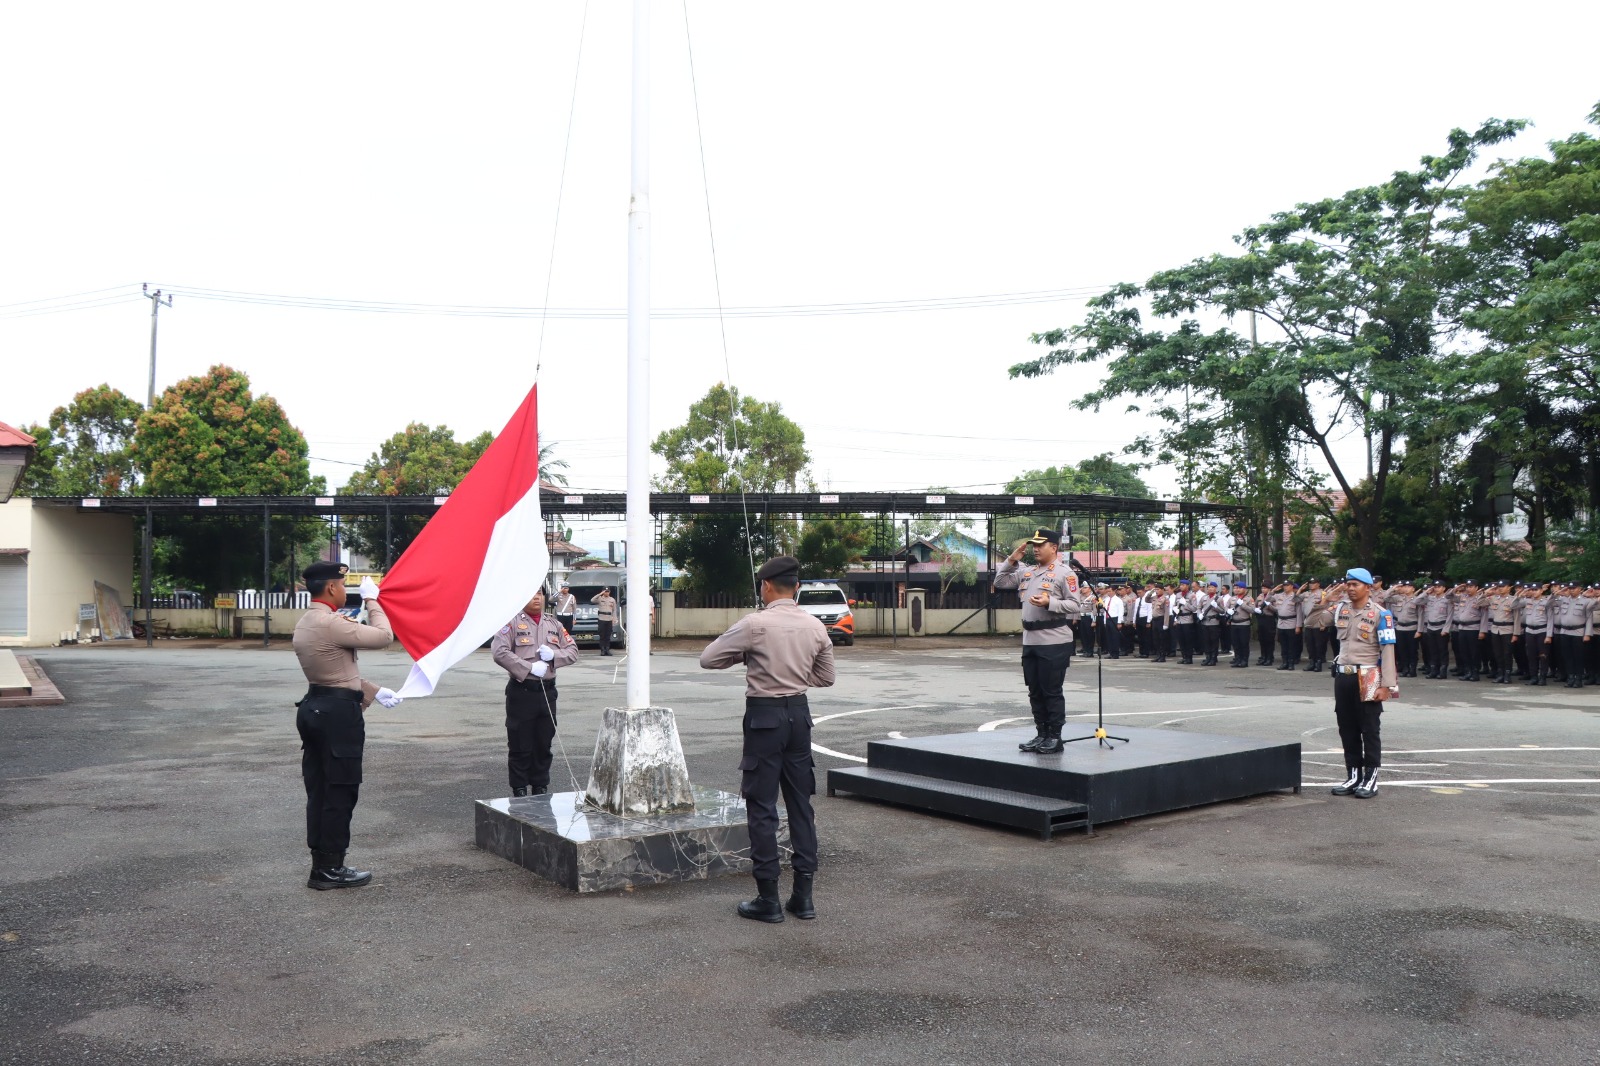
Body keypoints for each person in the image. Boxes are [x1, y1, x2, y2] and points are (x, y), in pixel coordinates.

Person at [700, 555, 835, 923]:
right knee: (800, 805)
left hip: (764, 718)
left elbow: (709, 659)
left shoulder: (754, 624)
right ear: (797, 587)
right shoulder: (815, 625)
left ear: (766, 585)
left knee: (762, 806)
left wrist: (747, 655)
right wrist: (797, 673)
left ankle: (768, 899)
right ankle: (803, 898)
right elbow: (826, 677)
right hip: (800, 717)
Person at [291, 562, 400, 891]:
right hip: (337, 716)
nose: (343, 590)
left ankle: (323, 864)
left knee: (321, 790)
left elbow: (333, 673)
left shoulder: (308, 621)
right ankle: (330, 869)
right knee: (340, 790)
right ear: (331, 588)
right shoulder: (330, 623)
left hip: (317, 706)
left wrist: (373, 691)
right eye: (341, 585)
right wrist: (372, 600)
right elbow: (384, 636)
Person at [993, 528, 1083, 754]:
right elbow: (1000, 581)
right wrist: (1012, 559)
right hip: (1030, 639)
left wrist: (1049, 602)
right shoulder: (1027, 572)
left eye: (1040, 544)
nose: (1035, 548)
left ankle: (1055, 736)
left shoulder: (1065, 573)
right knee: (1034, 691)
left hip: (1054, 639)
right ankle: (1041, 733)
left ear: (1054, 547)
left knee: (1051, 690)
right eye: (1033, 544)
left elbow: (1075, 605)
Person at [491, 589, 580, 796]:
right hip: (522, 692)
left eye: (539, 594)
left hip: (547, 692)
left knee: (543, 742)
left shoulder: (554, 624)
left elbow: (573, 651)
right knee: (520, 743)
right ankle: (520, 788)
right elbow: (499, 652)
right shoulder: (511, 623)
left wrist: (554, 655)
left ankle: (540, 787)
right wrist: (528, 667)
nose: (536, 598)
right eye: (532, 594)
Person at [1327, 568, 1398, 799]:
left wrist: (1386, 685)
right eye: (1348, 584)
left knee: (1369, 729)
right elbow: (1312, 620)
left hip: (1368, 677)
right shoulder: (1340, 609)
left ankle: (1370, 779)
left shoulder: (1381, 614)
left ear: (1368, 587)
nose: (1350, 588)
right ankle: (1353, 776)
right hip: (1343, 676)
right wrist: (1326, 599)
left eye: (1355, 584)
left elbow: (1387, 650)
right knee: (1347, 728)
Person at [1388, 580, 1420, 678]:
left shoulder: (1417, 600)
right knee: (1402, 650)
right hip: (1400, 628)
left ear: (1413, 589)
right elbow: (1385, 597)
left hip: (1412, 628)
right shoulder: (1399, 598)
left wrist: (1419, 630)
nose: (1406, 588)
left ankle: (1412, 669)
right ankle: (1405, 668)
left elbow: (1421, 616)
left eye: (1408, 586)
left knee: (1412, 650)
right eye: (1404, 586)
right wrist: (1393, 589)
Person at [1271, 581, 1302, 670]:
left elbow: (1299, 612)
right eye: (1284, 585)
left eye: (1287, 585)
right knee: (1283, 645)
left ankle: (1291, 663)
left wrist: (1298, 626)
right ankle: (1284, 662)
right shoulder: (1279, 595)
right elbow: (1268, 600)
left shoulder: (1295, 597)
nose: (1285, 587)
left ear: (1292, 586)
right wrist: (1273, 591)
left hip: (1291, 623)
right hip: (1281, 623)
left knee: (1291, 645)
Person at [1225, 582, 1253, 667]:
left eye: (1239, 588)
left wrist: (1242, 604)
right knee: (1235, 643)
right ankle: (1237, 659)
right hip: (1234, 623)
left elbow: (1252, 610)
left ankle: (1244, 660)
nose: (1237, 589)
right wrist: (1228, 610)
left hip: (1244, 623)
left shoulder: (1249, 599)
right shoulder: (1232, 598)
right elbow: (1225, 606)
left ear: (1244, 589)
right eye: (1236, 588)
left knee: (1244, 643)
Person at [1171, 578, 1198, 664]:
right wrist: (1175, 609)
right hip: (1179, 619)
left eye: (1183, 585)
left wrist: (1185, 604)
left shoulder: (1192, 595)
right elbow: (1175, 605)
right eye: (1180, 585)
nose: (1181, 586)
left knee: (1188, 640)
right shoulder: (1178, 595)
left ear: (1187, 586)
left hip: (1187, 620)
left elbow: (1194, 608)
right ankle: (1184, 657)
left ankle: (1189, 658)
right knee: (1181, 640)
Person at [592, 586, 619, 656]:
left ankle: (607, 649)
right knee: (602, 635)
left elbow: (614, 610)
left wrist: (615, 618)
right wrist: (600, 594)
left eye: (608, 591)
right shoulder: (600, 598)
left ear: (609, 592)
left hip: (609, 619)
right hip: (602, 619)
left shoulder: (612, 600)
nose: (606, 593)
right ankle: (602, 650)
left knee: (608, 636)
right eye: (605, 591)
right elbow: (592, 600)